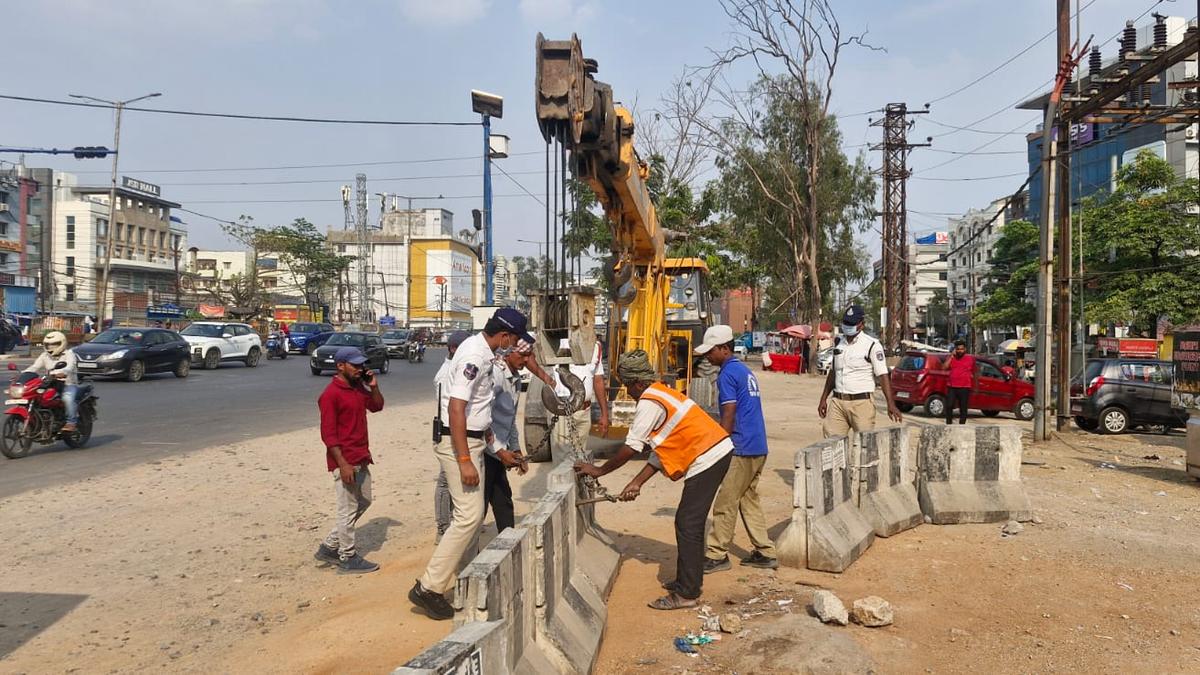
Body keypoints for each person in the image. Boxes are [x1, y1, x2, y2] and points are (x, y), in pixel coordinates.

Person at [574, 350, 733, 611]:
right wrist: (637, 482)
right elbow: (660, 451)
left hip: (709, 456)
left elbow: (631, 448)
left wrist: (599, 471)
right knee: (688, 522)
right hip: (713, 451)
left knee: (688, 523)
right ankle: (686, 581)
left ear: (638, 383)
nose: (628, 392)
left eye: (628, 386)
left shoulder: (649, 402)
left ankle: (688, 592)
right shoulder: (662, 392)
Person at [410, 307, 534, 621]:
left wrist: (499, 450)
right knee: (469, 516)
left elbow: (480, 415)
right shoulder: (475, 357)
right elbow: (456, 409)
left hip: (474, 440)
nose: (513, 345)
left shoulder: (484, 354)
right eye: (514, 339)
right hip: (458, 443)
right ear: (504, 335)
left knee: (471, 516)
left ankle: (460, 579)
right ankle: (429, 587)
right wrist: (464, 459)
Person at [693, 325, 778, 574]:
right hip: (758, 444)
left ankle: (717, 554)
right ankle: (765, 551)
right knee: (748, 499)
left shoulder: (727, 374)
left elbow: (729, 412)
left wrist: (719, 443)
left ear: (724, 349)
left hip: (742, 446)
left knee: (726, 501)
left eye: (710, 352)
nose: (707, 357)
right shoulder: (743, 370)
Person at [314, 347, 385, 574]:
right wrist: (342, 464)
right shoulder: (330, 395)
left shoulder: (357, 388)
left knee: (364, 501)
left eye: (361, 365)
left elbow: (377, 406)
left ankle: (329, 546)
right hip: (345, 460)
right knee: (347, 508)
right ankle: (347, 556)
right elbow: (328, 435)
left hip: (361, 455)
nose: (360, 369)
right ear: (340, 366)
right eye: (355, 365)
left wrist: (373, 386)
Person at [817, 305, 903, 437]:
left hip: (861, 403)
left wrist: (890, 404)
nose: (848, 326)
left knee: (863, 444)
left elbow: (882, 376)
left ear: (861, 324)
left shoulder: (872, 345)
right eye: (846, 322)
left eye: (852, 323)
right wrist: (823, 399)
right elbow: (833, 373)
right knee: (831, 442)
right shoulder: (839, 343)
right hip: (838, 402)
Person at [483, 339, 533, 533]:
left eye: (528, 356)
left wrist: (516, 450)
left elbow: (510, 419)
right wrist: (499, 451)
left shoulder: (516, 379)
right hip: (484, 449)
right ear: (508, 354)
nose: (525, 360)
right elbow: (483, 417)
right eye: (522, 355)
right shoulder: (496, 375)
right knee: (478, 506)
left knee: (503, 499)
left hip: (499, 450)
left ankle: (508, 540)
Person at [432, 330, 472, 540]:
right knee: (445, 481)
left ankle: (457, 522)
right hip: (449, 431)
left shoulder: (457, 368)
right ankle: (443, 527)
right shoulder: (446, 373)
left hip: (459, 431)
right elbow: (449, 408)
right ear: (454, 349)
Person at [551, 337, 611, 452]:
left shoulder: (595, 346)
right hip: (563, 410)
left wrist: (604, 414)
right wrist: (546, 379)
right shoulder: (558, 341)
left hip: (584, 411)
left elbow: (598, 380)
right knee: (563, 458)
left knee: (580, 456)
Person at [27, 331, 80, 433]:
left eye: (54, 344)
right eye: (48, 344)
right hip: (50, 383)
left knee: (67, 398)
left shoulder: (69, 354)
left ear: (62, 343)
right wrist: (23, 374)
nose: (50, 347)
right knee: (37, 398)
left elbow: (69, 367)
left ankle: (71, 422)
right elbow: (34, 367)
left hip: (68, 384)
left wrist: (63, 373)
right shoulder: (44, 355)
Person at [941, 340, 976, 425]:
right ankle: (949, 424)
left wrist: (976, 385)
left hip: (964, 387)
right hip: (952, 386)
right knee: (949, 405)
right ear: (955, 349)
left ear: (965, 349)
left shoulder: (970, 359)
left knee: (963, 407)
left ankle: (962, 425)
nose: (960, 351)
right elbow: (944, 367)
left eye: (962, 349)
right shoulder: (952, 357)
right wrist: (951, 356)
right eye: (958, 349)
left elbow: (975, 372)